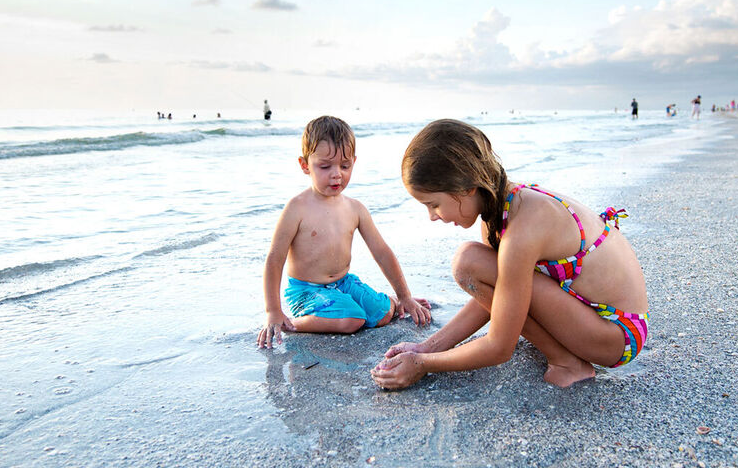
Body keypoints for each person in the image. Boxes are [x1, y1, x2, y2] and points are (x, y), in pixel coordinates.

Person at [371, 119, 649, 389]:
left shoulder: (524, 228)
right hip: (593, 320)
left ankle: (567, 362)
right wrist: (427, 347)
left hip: (616, 335)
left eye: (433, 204)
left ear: (466, 187)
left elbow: (499, 347)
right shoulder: (500, 209)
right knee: (473, 264)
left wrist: (423, 364)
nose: (432, 216)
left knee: (468, 261)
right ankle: (565, 355)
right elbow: (496, 295)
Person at [256, 116, 431, 349]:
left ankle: (393, 301)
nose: (337, 174)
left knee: (384, 314)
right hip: (307, 291)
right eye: (325, 166)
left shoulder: (355, 208)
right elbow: (274, 259)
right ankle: (295, 323)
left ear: (354, 162)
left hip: (344, 283)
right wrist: (273, 311)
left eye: (345, 165)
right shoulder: (296, 208)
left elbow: (381, 252)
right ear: (305, 165)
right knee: (353, 320)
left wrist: (405, 296)